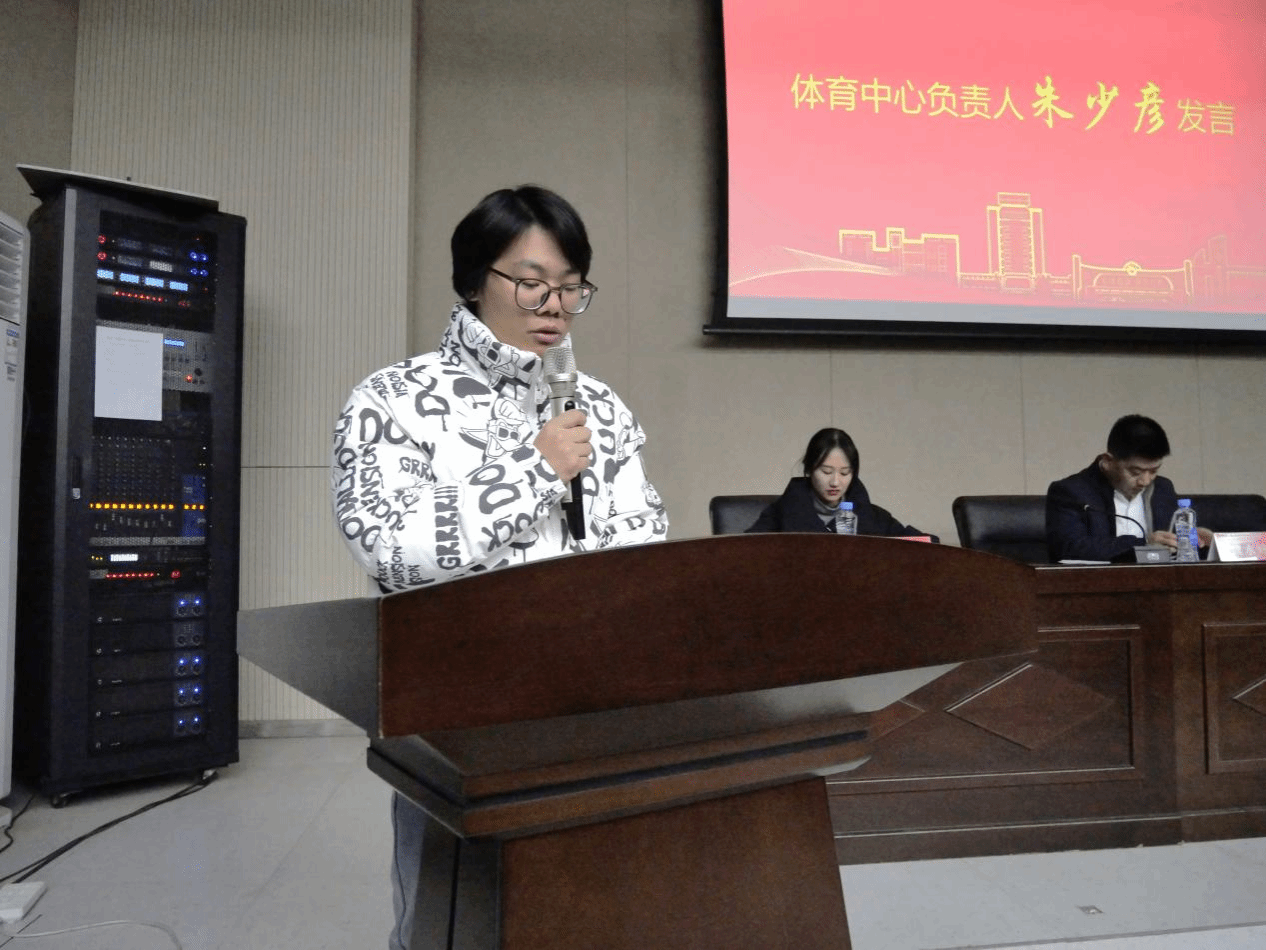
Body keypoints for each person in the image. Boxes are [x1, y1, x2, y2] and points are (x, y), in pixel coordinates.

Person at [329, 184, 669, 950]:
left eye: (571, 287)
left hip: (593, 712)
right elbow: (391, 547)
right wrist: (535, 468)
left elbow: (644, 553)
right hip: (457, 722)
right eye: (531, 282)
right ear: (474, 279)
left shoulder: (602, 407)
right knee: (452, 920)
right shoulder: (393, 398)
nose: (555, 306)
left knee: (591, 912)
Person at [1045, 413, 1211, 563]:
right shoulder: (1070, 492)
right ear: (1108, 462)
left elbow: (1170, 544)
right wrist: (1143, 545)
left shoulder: (1162, 488)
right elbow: (1069, 547)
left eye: (1154, 471)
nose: (1145, 481)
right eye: (1135, 472)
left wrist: (1193, 539)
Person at [746, 427, 936, 540]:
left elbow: (922, 545)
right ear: (809, 469)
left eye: (845, 473)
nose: (835, 482)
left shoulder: (870, 515)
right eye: (826, 472)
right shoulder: (781, 512)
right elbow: (745, 551)